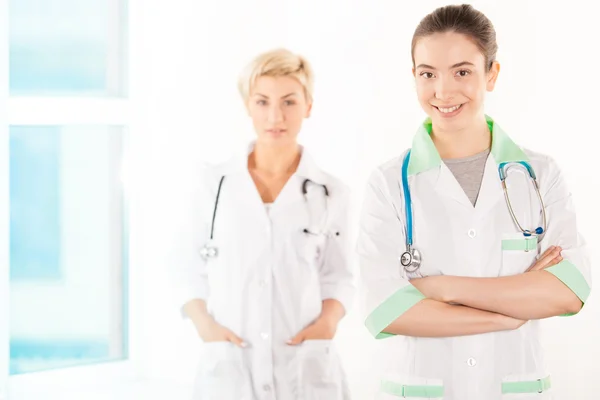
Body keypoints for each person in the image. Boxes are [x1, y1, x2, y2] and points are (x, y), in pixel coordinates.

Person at [357, 4, 591, 400]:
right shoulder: (388, 184)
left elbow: (568, 291)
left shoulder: (540, 175)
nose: (443, 91)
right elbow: (387, 310)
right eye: (427, 74)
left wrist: (443, 288)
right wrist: (511, 311)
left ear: (492, 74)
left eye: (462, 72)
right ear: (413, 77)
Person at [171, 48, 355, 400]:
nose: (276, 116)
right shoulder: (213, 185)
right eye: (262, 101)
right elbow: (186, 269)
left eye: (289, 102)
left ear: (309, 106)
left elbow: (340, 277)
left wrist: (327, 325)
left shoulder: (331, 192)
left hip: (306, 368)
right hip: (229, 369)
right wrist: (205, 326)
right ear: (247, 107)